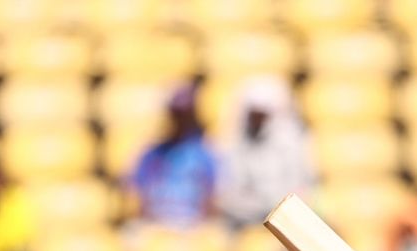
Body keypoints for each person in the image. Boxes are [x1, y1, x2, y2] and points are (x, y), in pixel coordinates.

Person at [217, 76, 315, 230]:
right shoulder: (235, 143)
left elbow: (301, 189)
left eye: (262, 114)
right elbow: (229, 193)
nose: (258, 120)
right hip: (246, 223)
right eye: (254, 114)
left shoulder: (294, 143)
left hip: (287, 222)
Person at [124, 83, 218, 228]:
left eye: (184, 116)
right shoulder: (150, 155)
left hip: (192, 227)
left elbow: (210, 201)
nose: (180, 121)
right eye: (176, 115)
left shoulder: (205, 155)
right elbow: (141, 199)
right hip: (156, 226)